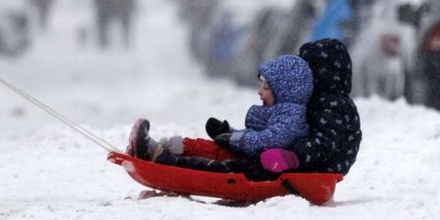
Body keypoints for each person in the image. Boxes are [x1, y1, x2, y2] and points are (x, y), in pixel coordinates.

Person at [129, 53, 314, 178]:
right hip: (251, 156)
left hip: (258, 164)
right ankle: (163, 148)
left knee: (214, 163)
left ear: (285, 90)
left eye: (266, 88)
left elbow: (270, 140)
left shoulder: (291, 114)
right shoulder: (283, 111)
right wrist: (230, 133)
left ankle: (169, 162)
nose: (260, 92)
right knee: (210, 148)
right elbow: (262, 137)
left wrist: (236, 139)